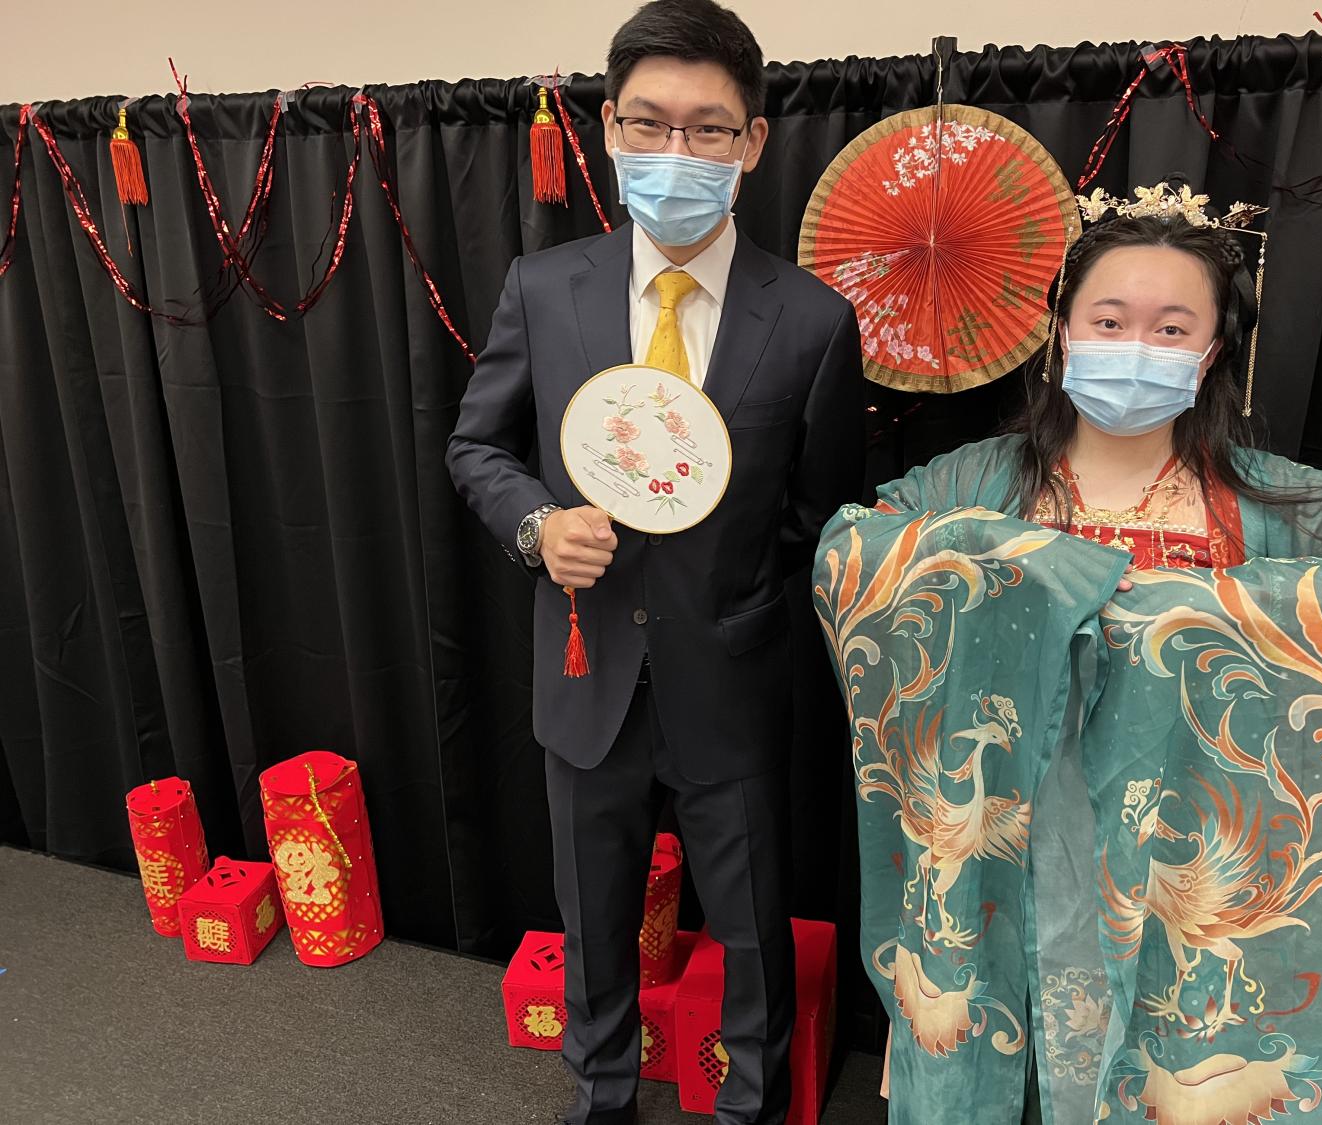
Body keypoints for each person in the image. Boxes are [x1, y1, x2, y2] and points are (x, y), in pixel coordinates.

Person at [813, 184, 1322, 1124]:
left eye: (1173, 328)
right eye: (1110, 319)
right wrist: (1029, 568)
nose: (1137, 346)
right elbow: (858, 545)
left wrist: (1200, 606)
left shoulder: (1277, 501)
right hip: (1007, 837)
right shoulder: (975, 479)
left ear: (1213, 353)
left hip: (1175, 848)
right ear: (1061, 332)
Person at [447, 2, 865, 1121]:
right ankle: (602, 1099)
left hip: (731, 675)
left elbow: (821, 514)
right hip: (583, 672)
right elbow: (477, 445)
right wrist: (538, 527)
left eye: (708, 129)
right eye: (650, 124)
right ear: (608, 131)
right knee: (594, 917)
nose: (675, 153)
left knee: (752, 926)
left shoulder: (816, 320)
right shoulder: (548, 288)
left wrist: (739, 597)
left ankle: (753, 1105)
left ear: (753, 144)